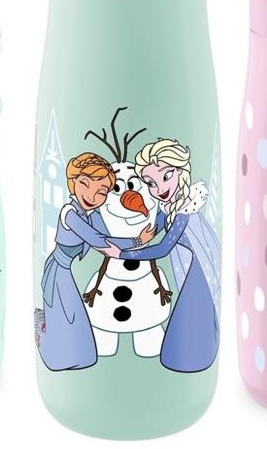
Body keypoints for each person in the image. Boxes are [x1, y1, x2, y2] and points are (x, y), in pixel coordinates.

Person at [105, 139, 220, 373]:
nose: (159, 189)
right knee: (189, 315)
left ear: (181, 171)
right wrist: (127, 239)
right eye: (150, 183)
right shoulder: (168, 208)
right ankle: (192, 358)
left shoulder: (184, 211)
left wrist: (123, 254)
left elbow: (162, 248)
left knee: (191, 314)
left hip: (196, 273)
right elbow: (152, 230)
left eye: (167, 176)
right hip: (190, 270)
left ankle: (194, 360)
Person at [35, 152, 154, 370]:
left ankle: (61, 342)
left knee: (74, 320)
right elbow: (96, 239)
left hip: (66, 269)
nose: (92, 195)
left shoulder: (93, 215)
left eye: (101, 192)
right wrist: (136, 241)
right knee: (68, 315)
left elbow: (107, 239)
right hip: (59, 269)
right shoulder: (69, 213)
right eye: (85, 184)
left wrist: (137, 238)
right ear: (73, 182)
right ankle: (46, 337)